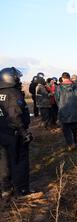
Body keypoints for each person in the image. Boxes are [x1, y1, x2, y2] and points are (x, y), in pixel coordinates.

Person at [0, 67, 33, 198]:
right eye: (17, 78)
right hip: (14, 134)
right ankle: (22, 190)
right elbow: (15, 115)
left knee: (3, 161)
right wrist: (24, 132)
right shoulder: (13, 93)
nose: (19, 80)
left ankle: (6, 188)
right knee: (20, 160)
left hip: (2, 133)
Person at [55, 72, 77, 151]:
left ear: (63, 78)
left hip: (63, 110)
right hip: (75, 110)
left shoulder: (59, 87)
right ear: (69, 78)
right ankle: (74, 141)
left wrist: (60, 106)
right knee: (74, 128)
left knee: (66, 128)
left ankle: (71, 144)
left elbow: (56, 99)